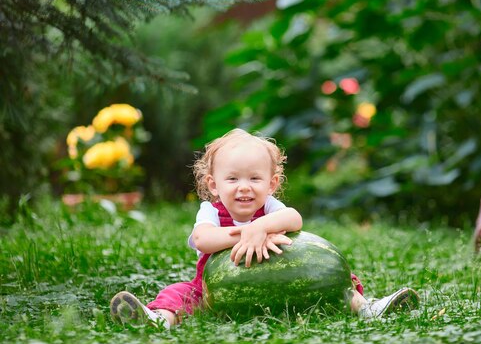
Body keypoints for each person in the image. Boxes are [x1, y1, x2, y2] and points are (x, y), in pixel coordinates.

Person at [110, 128, 418, 329]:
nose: (244, 188)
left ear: (271, 184)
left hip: (284, 276)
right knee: (181, 293)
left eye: (255, 179)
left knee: (340, 278)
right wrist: (245, 233)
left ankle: (366, 308)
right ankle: (158, 319)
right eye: (233, 180)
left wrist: (262, 226)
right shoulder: (211, 211)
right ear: (214, 185)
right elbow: (204, 240)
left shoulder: (269, 207)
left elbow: (294, 219)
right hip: (214, 286)